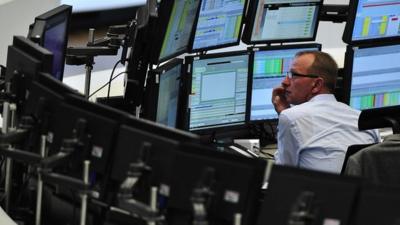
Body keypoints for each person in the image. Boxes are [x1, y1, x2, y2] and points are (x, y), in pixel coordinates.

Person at [271, 50, 380, 173]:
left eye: (293, 75)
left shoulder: (291, 117)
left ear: (316, 84)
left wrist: (283, 114)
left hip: (318, 191)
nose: (285, 82)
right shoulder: (365, 120)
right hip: (359, 191)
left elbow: (283, 174)